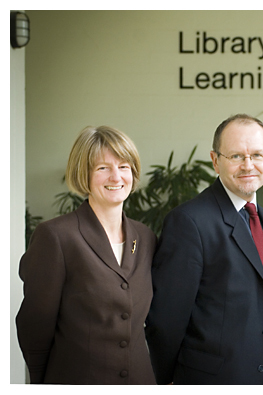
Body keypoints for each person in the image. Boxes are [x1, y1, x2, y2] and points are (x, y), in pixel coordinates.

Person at [145, 114, 263, 385]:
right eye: (236, 156)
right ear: (215, 160)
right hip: (218, 381)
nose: (248, 165)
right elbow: (166, 321)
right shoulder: (189, 222)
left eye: (257, 155)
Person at [16, 126, 156, 384]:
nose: (116, 176)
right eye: (103, 168)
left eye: (124, 166)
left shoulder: (146, 237)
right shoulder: (56, 236)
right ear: (85, 174)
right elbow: (34, 325)